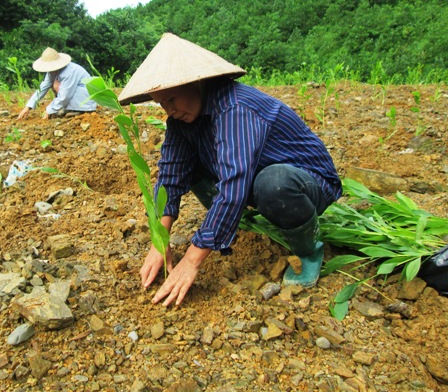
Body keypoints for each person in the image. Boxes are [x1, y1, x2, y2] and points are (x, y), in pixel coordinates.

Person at [117, 33, 342, 307]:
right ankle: (227, 224)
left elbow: (235, 184)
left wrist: (191, 260)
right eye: (161, 102)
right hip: (254, 177)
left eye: (173, 98)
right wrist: (159, 241)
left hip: (306, 182)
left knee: (274, 184)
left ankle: (309, 251)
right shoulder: (181, 121)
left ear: (196, 83)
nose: (169, 109)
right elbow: (170, 177)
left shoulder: (235, 107)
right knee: (188, 164)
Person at [17, 47, 97, 120]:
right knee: (55, 84)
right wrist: (28, 106)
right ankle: (71, 109)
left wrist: (49, 110)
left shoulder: (69, 71)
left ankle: (81, 110)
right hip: (73, 96)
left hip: (86, 99)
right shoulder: (51, 72)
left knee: (58, 86)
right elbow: (43, 88)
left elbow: (65, 95)